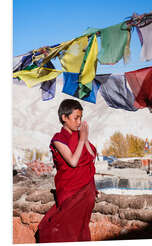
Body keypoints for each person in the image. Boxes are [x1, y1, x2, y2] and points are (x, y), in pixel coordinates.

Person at [36, 99, 98, 243]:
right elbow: (73, 162)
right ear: (64, 117)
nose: (79, 122)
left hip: (85, 191)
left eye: (80, 118)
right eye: (76, 118)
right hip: (69, 190)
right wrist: (82, 139)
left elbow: (91, 155)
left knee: (80, 229)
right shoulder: (58, 139)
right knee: (57, 230)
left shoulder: (80, 136)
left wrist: (85, 138)